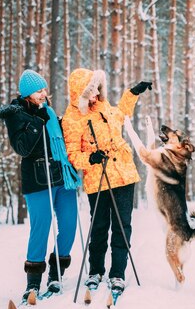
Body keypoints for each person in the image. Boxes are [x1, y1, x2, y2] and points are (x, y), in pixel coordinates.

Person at [62, 68, 152, 294]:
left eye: (96, 90)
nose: (95, 96)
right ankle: (95, 270)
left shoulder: (104, 106)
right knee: (99, 225)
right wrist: (90, 158)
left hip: (123, 173)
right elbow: (72, 154)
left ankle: (118, 273)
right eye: (91, 93)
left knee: (123, 225)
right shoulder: (73, 118)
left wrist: (132, 93)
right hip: (97, 177)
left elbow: (121, 115)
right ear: (80, 94)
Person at [0, 69, 82, 301]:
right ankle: (33, 282)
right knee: (41, 228)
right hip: (36, 179)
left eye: (44, 89)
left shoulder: (50, 113)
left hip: (61, 176)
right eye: (38, 91)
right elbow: (22, 148)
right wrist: (37, 122)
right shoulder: (16, 114)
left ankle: (56, 273)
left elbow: (61, 140)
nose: (44, 94)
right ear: (27, 94)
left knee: (69, 225)